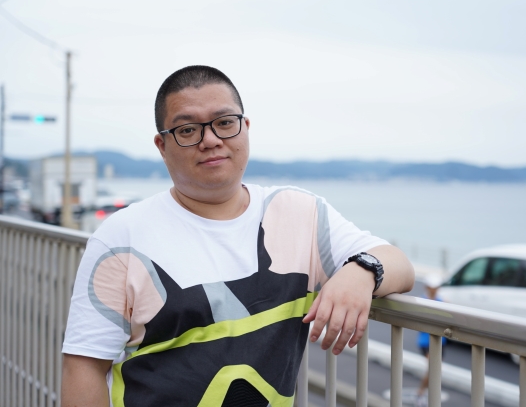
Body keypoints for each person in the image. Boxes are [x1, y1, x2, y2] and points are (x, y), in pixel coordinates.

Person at [61, 65, 415, 407]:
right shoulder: (122, 237)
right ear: (162, 146)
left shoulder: (298, 213)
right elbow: (84, 368)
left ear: (245, 127)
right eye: (188, 130)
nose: (211, 140)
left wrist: (360, 272)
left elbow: (399, 265)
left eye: (225, 123)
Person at [416, 273, 447, 406]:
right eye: (432, 287)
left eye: (436, 288)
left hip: (441, 342)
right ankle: (420, 393)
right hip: (425, 342)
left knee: (435, 369)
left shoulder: (442, 302)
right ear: (427, 287)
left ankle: (424, 394)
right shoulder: (421, 301)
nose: (434, 290)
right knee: (433, 369)